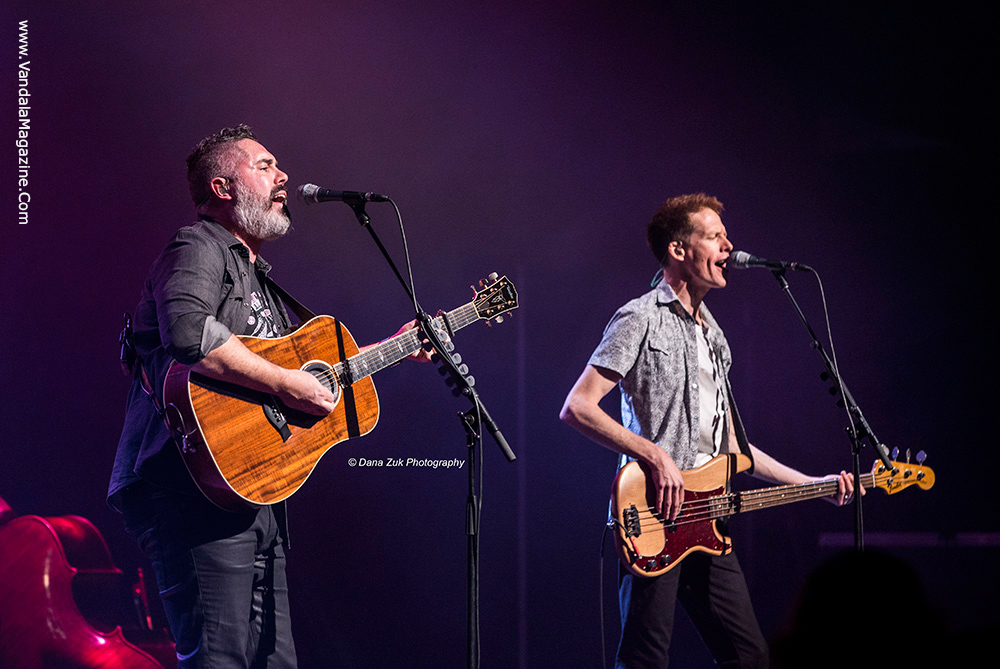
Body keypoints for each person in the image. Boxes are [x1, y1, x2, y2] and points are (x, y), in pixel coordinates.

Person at [108, 124, 426, 667]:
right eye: (264, 166)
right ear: (223, 187)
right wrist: (287, 382)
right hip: (192, 489)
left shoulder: (260, 281)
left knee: (275, 662)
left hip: (255, 489)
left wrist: (390, 349)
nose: (283, 178)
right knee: (220, 659)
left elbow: (299, 377)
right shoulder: (197, 245)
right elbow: (188, 334)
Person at [559, 193, 858, 668]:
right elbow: (577, 407)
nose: (729, 245)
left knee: (750, 657)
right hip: (654, 515)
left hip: (708, 518)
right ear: (679, 250)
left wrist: (815, 487)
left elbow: (733, 448)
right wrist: (655, 456)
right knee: (645, 659)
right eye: (715, 236)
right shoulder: (639, 317)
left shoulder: (715, 336)